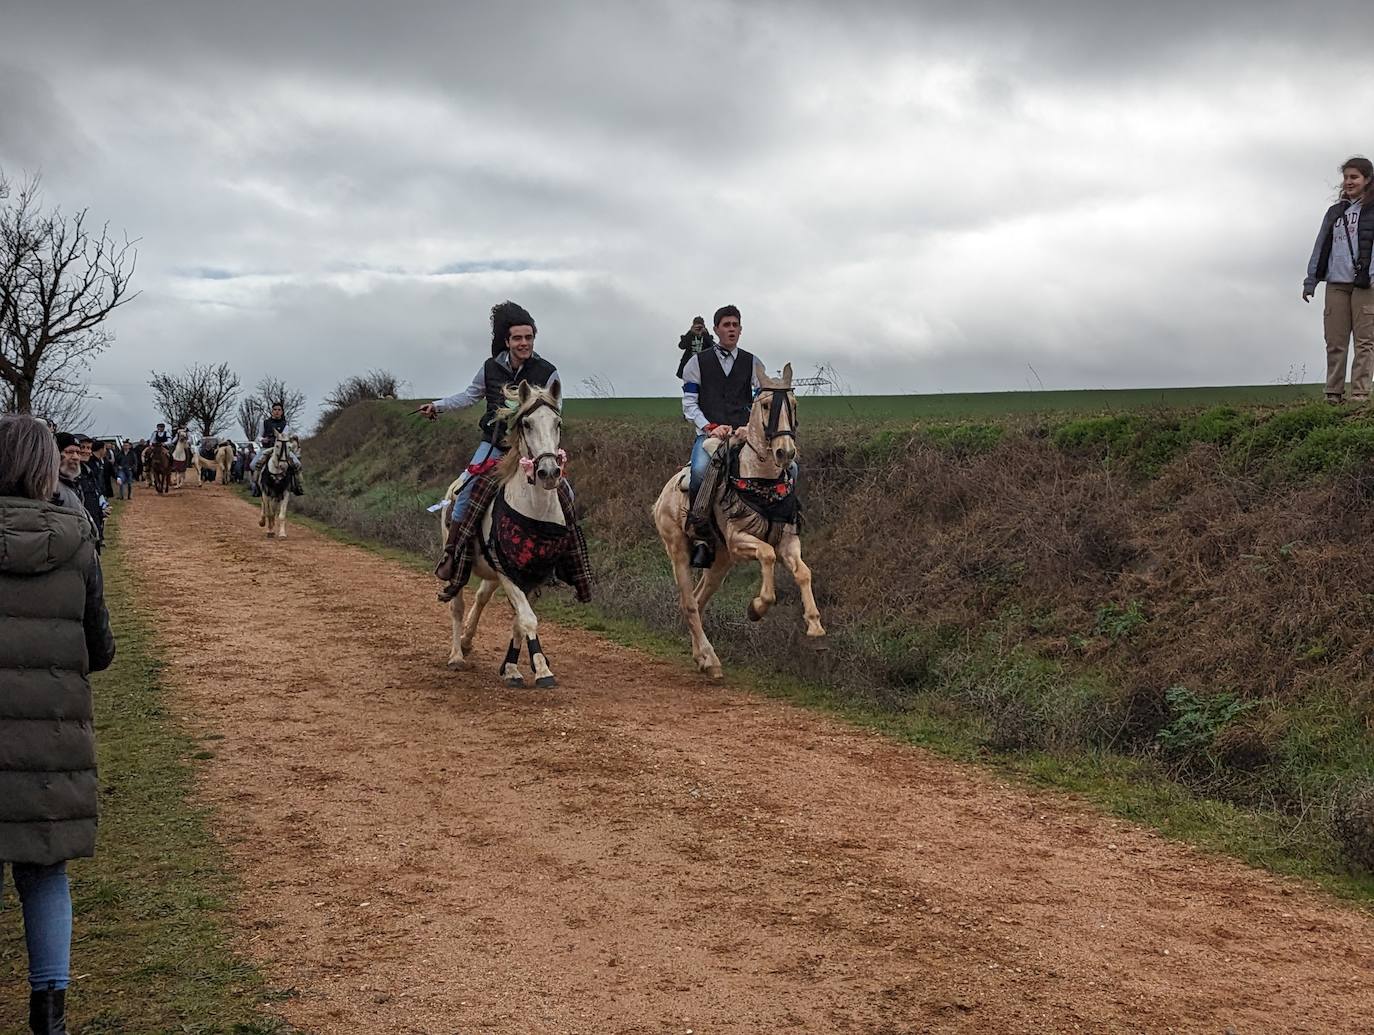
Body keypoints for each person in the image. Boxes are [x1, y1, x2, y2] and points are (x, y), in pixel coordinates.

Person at [0, 413, 116, 1035]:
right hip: (47, 743)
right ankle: (49, 1019)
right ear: (48, 465)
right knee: (44, 875)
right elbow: (99, 649)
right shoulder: (78, 537)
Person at [419, 300, 561, 528]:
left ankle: (571, 560)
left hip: (536, 450)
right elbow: (469, 396)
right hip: (495, 445)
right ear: (507, 341)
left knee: (567, 497)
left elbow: (554, 415)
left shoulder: (548, 372)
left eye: (529, 337)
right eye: (517, 338)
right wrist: (438, 406)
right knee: (466, 490)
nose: (524, 343)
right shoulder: (490, 368)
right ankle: (453, 554)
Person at [679, 305, 768, 568]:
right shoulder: (697, 362)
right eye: (726, 325)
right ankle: (702, 538)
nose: (731, 329)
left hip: (745, 436)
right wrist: (709, 427)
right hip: (712, 436)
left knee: (787, 468)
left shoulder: (753, 362)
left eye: (735, 325)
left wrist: (750, 427)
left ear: (741, 329)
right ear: (716, 329)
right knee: (699, 473)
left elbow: (762, 401)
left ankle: (780, 526)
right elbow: (689, 404)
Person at [1304, 156, 1374, 404]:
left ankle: (1359, 393)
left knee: (1364, 342)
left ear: (1367, 180)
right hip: (1336, 283)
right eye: (1345, 177)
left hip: (1366, 284)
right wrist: (1310, 280)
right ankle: (1333, 393)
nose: (1348, 182)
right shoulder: (1335, 212)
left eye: (1354, 177)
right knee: (1335, 341)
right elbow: (1320, 246)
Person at [250, 404, 304, 496]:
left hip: (281, 449)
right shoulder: (264, 422)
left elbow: (284, 436)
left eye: (279, 410)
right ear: (272, 411)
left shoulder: (285, 424)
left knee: (297, 464)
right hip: (267, 448)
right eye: (275, 409)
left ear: (282, 412)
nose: (277, 411)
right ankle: (256, 486)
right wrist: (263, 439)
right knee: (253, 465)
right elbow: (258, 436)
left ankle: (297, 486)